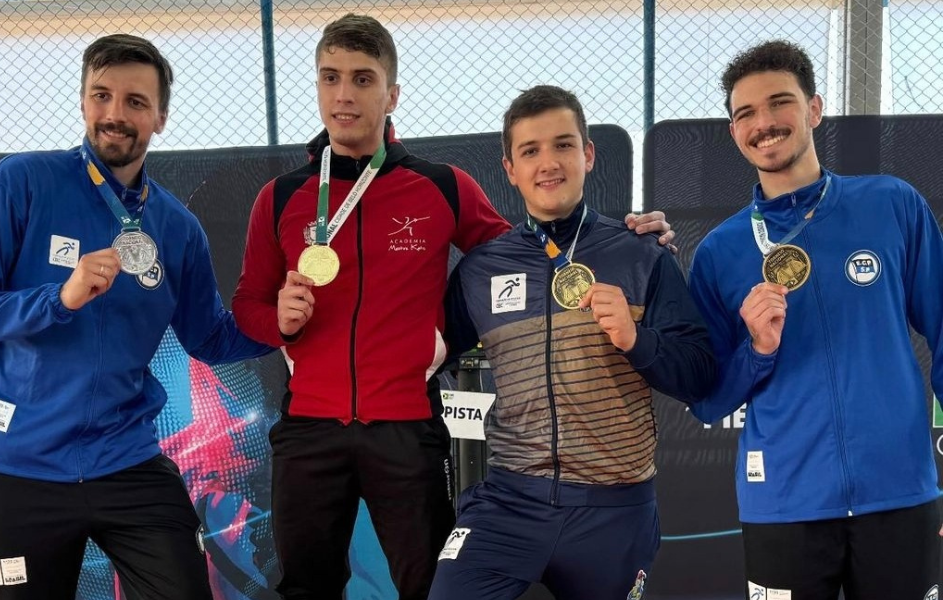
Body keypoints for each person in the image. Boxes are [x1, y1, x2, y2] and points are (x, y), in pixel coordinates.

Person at [231, 15, 676, 600]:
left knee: (427, 587)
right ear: (317, 86)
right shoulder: (281, 197)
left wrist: (623, 236)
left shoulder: (441, 187)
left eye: (363, 79)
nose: (344, 94)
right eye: (330, 77)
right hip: (308, 429)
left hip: (407, 429)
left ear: (390, 95)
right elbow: (247, 307)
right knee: (307, 588)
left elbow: (534, 250)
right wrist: (278, 320)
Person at [0, 34, 271, 600]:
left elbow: (210, 337)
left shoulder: (175, 228)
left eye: (136, 102)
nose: (115, 115)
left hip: (125, 460)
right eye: (102, 96)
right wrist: (57, 299)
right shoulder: (22, 182)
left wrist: (282, 325)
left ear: (160, 117)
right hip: (15, 467)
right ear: (83, 102)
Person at [427, 85, 716, 600]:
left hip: (614, 508)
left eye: (563, 145)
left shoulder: (641, 253)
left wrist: (636, 340)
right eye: (530, 150)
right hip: (509, 502)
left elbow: (699, 373)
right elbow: (425, 352)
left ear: (587, 154)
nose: (548, 163)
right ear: (510, 168)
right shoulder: (481, 269)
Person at [687, 40, 943, 600]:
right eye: (745, 114)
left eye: (780, 102)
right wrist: (756, 349)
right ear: (734, 133)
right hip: (783, 501)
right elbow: (707, 399)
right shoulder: (719, 252)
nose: (764, 123)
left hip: (898, 491)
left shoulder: (891, 204)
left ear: (814, 109)